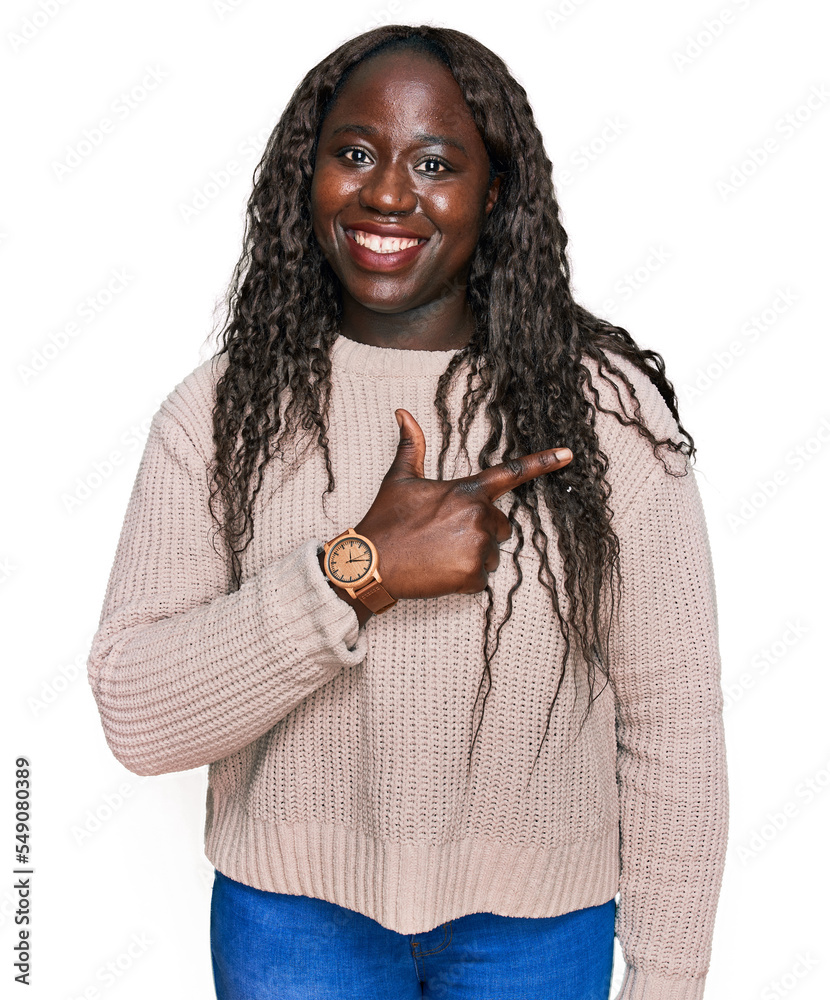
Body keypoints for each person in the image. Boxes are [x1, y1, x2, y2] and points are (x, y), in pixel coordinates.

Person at [86, 23, 729, 1000]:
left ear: (496, 191)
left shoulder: (601, 411)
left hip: (539, 930)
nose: (387, 193)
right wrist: (355, 572)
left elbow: (672, 718)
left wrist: (668, 978)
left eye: (434, 162)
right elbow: (136, 714)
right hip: (289, 922)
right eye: (353, 153)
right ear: (306, 178)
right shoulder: (221, 410)